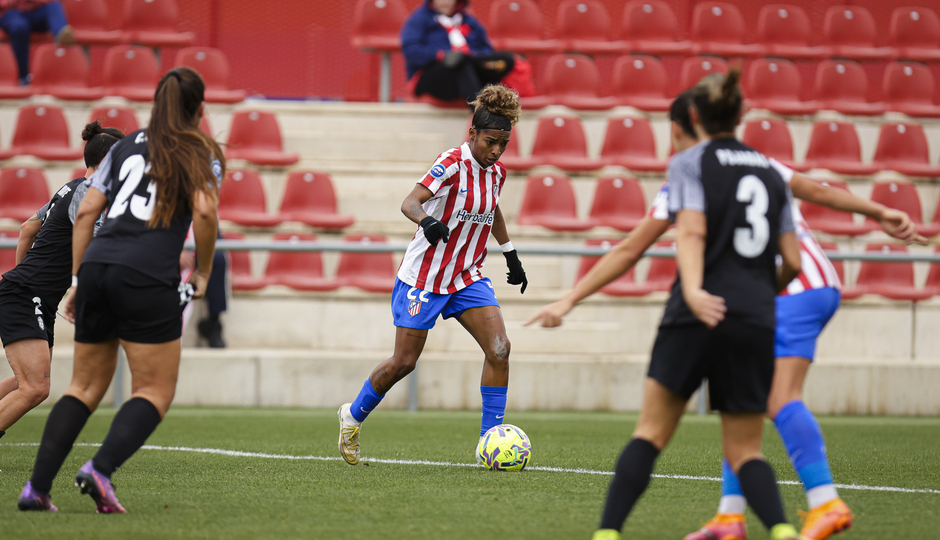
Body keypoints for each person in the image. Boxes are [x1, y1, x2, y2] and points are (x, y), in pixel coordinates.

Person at [527, 90, 923, 540]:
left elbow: (651, 243)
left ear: (684, 125)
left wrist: (573, 299)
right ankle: (733, 516)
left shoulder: (690, 169)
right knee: (744, 427)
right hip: (776, 294)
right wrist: (878, 211)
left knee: (762, 403)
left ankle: (824, 501)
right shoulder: (765, 167)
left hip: (761, 297)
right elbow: (812, 197)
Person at [576, 69, 805, 540]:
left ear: (694, 117)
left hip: (693, 312)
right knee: (746, 451)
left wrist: (697, 291)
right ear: (740, 116)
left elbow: (693, 231)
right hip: (752, 316)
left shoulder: (689, 162)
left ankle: (607, 534)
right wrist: (758, 293)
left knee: (650, 433)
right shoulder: (771, 171)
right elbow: (794, 262)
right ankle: (783, 531)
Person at [17, 66, 224, 513]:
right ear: (200, 110)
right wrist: (204, 273)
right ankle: (100, 469)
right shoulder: (201, 149)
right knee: (154, 391)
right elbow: (205, 214)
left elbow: (87, 211)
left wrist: (78, 279)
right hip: (148, 272)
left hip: (97, 267)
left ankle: (36, 489)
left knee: (83, 387)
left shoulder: (125, 145)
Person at [338, 84, 527, 466]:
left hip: (467, 277)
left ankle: (489, 442)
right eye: (490, 142)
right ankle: (352, 416)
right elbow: (410, 202)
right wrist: (427, 221)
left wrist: (510, 254)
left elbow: (492, 209)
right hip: (424, 277)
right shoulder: (452, 163)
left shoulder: (497, 173)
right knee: (403, 363)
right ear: (472, 133)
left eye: (503, 145)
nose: (496, 151)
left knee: (500, 349)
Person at [0, 120, 123, 441]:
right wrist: (26, 286)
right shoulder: (89, 195)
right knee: (35, 387)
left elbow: (27, 229)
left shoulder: (70, 188)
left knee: (26, 381)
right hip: (27, 295)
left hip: (31, 294)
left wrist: (25, 280)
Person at [402, 0, 514, 105]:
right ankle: (480, 112)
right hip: (432, 74)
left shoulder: (469, 20)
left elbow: (486, 49)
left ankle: (503, 103)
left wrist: (472, 57)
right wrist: (440, 55)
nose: (445, 2)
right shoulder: (419, 19)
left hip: (470, 66)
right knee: (460, 64)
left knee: (506, 60)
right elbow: (411, 50)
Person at [0, 0, 74, 85]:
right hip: (12, 13)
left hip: (36, 10)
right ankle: (23, 78)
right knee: (19, 28)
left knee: (54, 6)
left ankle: (61, 34)